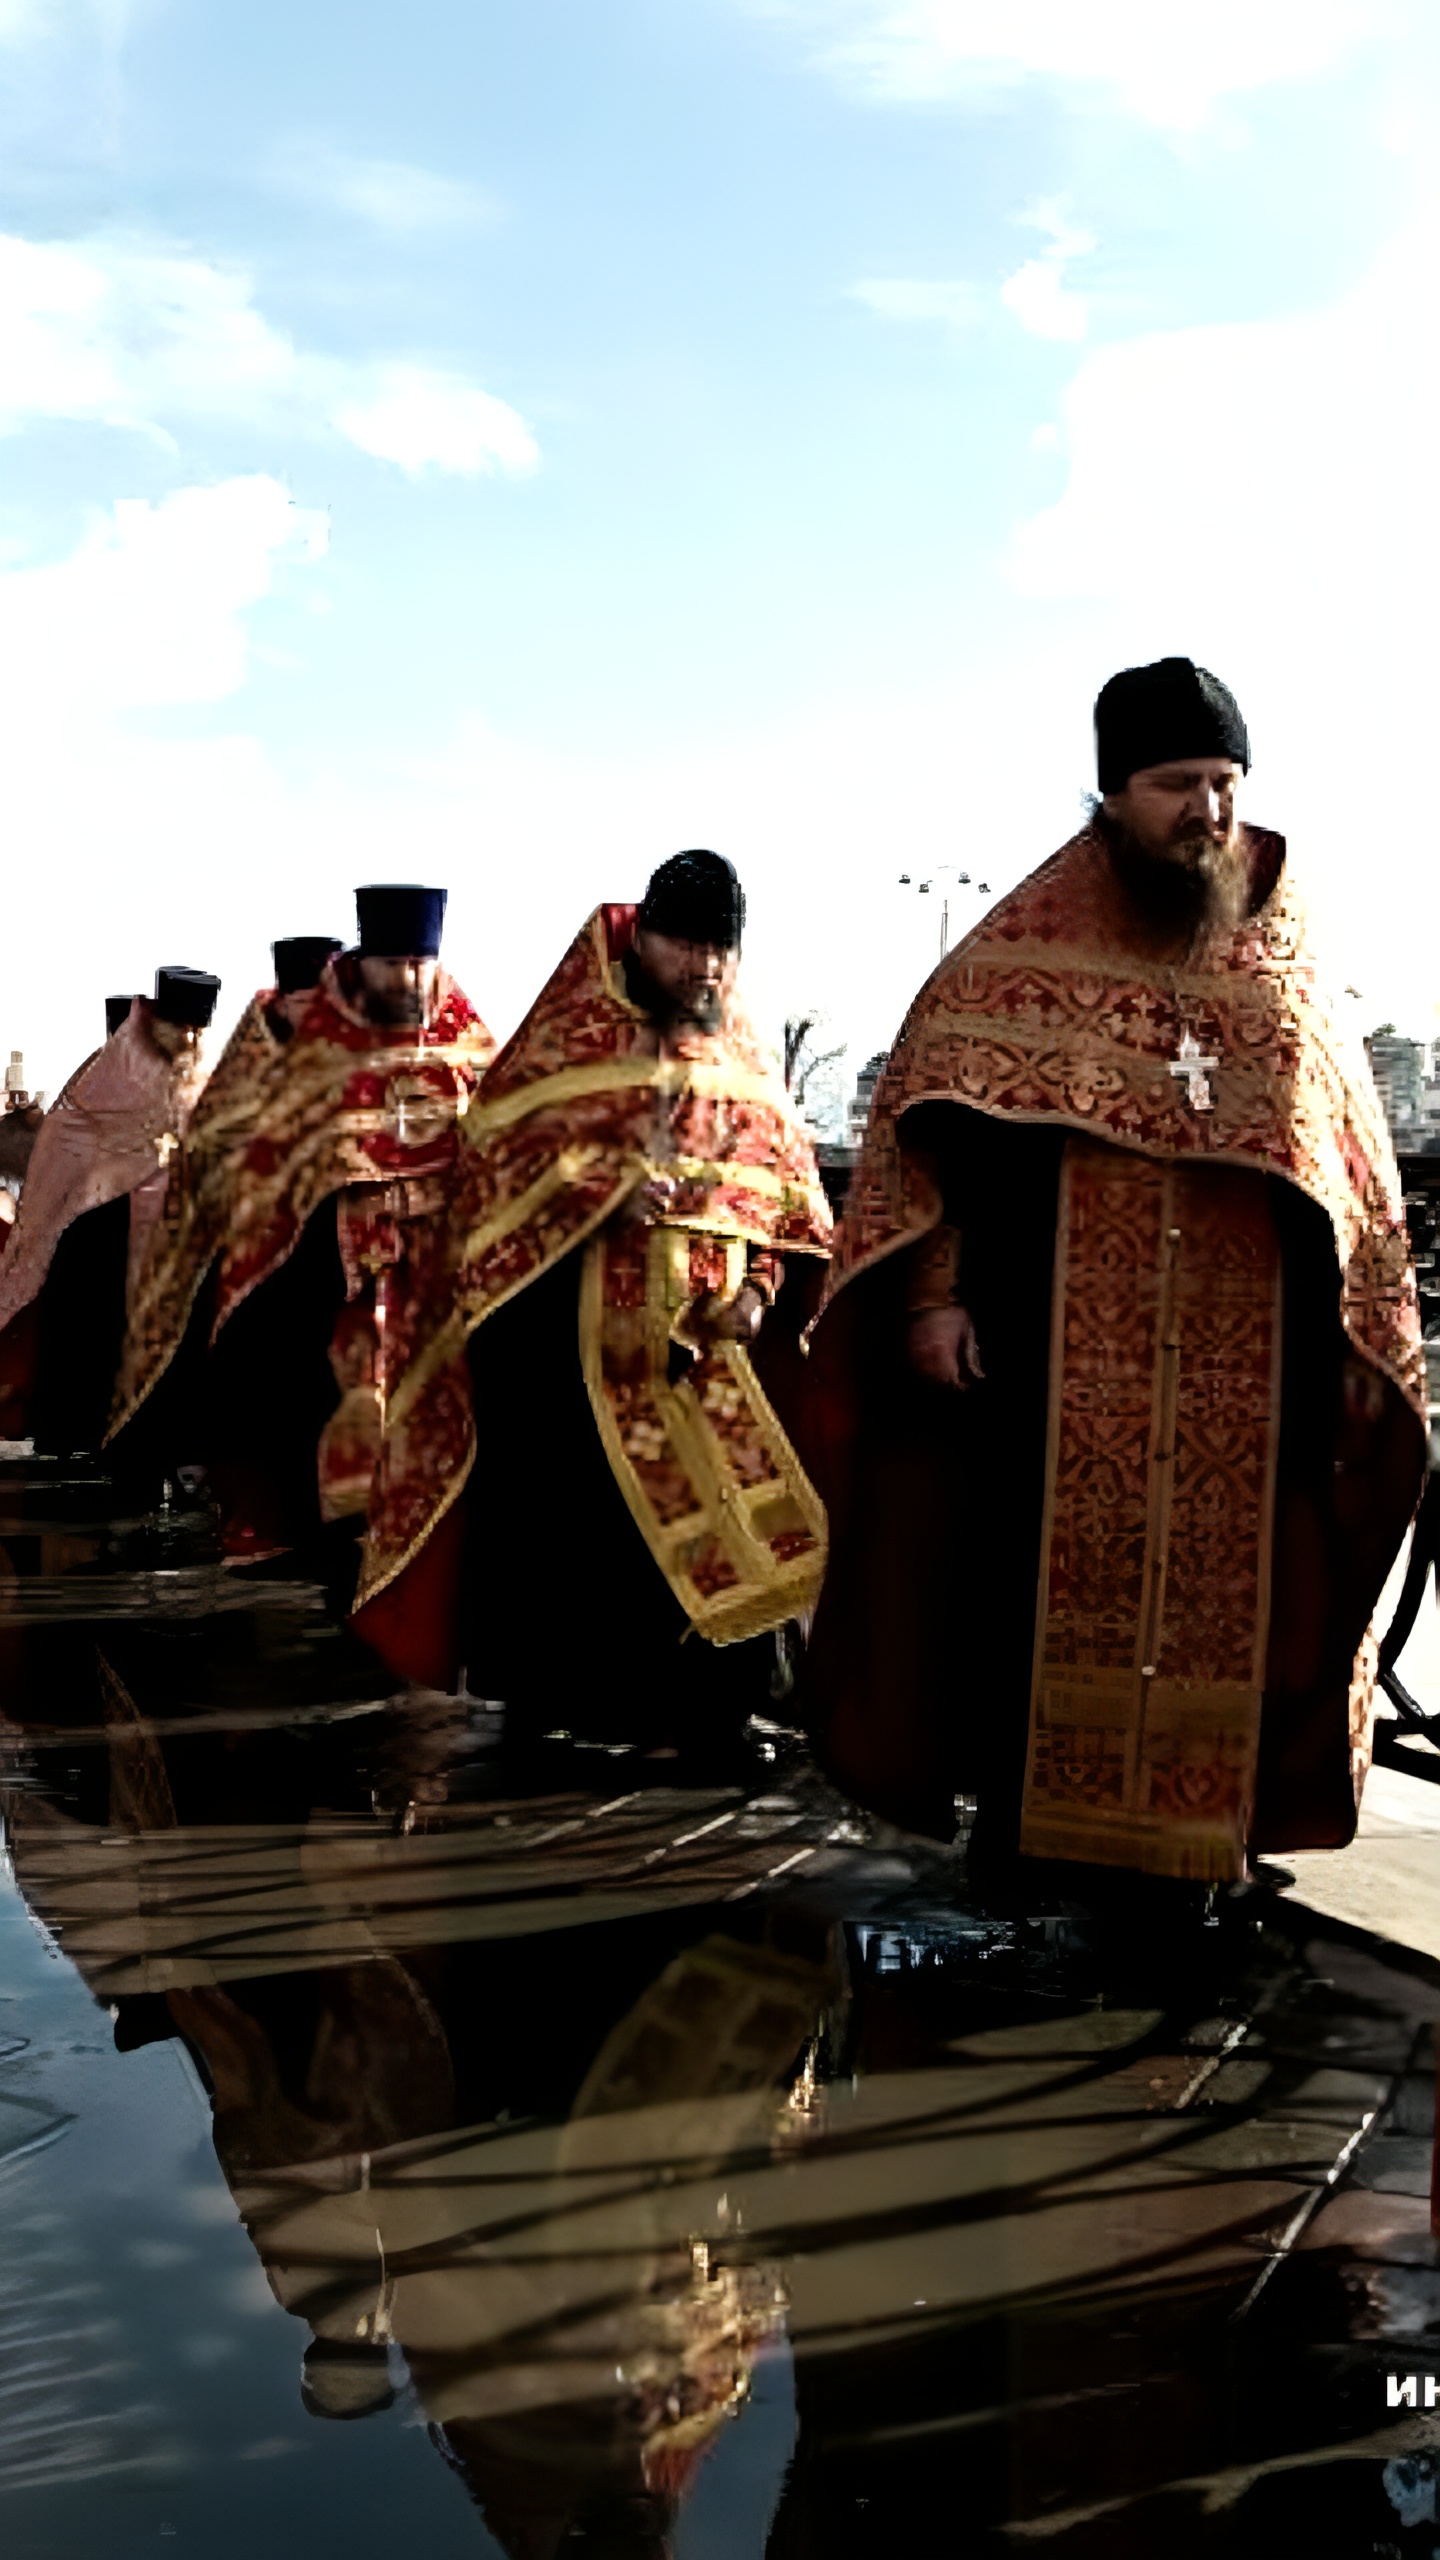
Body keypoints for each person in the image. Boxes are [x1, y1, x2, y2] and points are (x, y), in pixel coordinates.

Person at [805, 658, 1428, 1879]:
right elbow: (940, 1117)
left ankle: (1203, 1851)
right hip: (1049, 1343)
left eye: (1225, 781)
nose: (1209, 812)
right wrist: (931, 1298)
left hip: (1254, 1358)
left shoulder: (1284, 936)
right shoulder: (1030, 933)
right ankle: (1036, 1841)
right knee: (1024, 1590)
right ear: (1111, 794)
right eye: (1176, 784)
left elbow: (1349, 1162)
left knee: (1236, 1610)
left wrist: (1364, 1340)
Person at [354, 850, 834, 1749]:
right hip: (565, 1342)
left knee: (716, 1524)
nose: (706, 968)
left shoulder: (744, 1050)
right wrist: (599, 1187)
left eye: (722, 951)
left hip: (704, 1349)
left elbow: (786, 1198)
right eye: (685, 945)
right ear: (640, 934)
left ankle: (709, 1714)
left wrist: (764, 1290)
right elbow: (492, 1164)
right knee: (573, 1535)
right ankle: (561, 1707)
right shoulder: (565, 1034)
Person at [110, 887, 492, 1572]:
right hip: (326, 1278)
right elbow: (267, 1167)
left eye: (418, 964)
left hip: (438, 1287)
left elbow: (499, 1147)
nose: (407, 980)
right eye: (391, 964)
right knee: (303, 1404)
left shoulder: (468, 1044)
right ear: (364, 963)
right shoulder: (319, 1053)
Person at [0, 966, 220, 1455]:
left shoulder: (202, 1082)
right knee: (93, 1341)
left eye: (196, 1030)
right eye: (180, 1027)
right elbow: (67, 1148)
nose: (188, 1038)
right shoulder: (106, 1080)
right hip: (103, 1234)